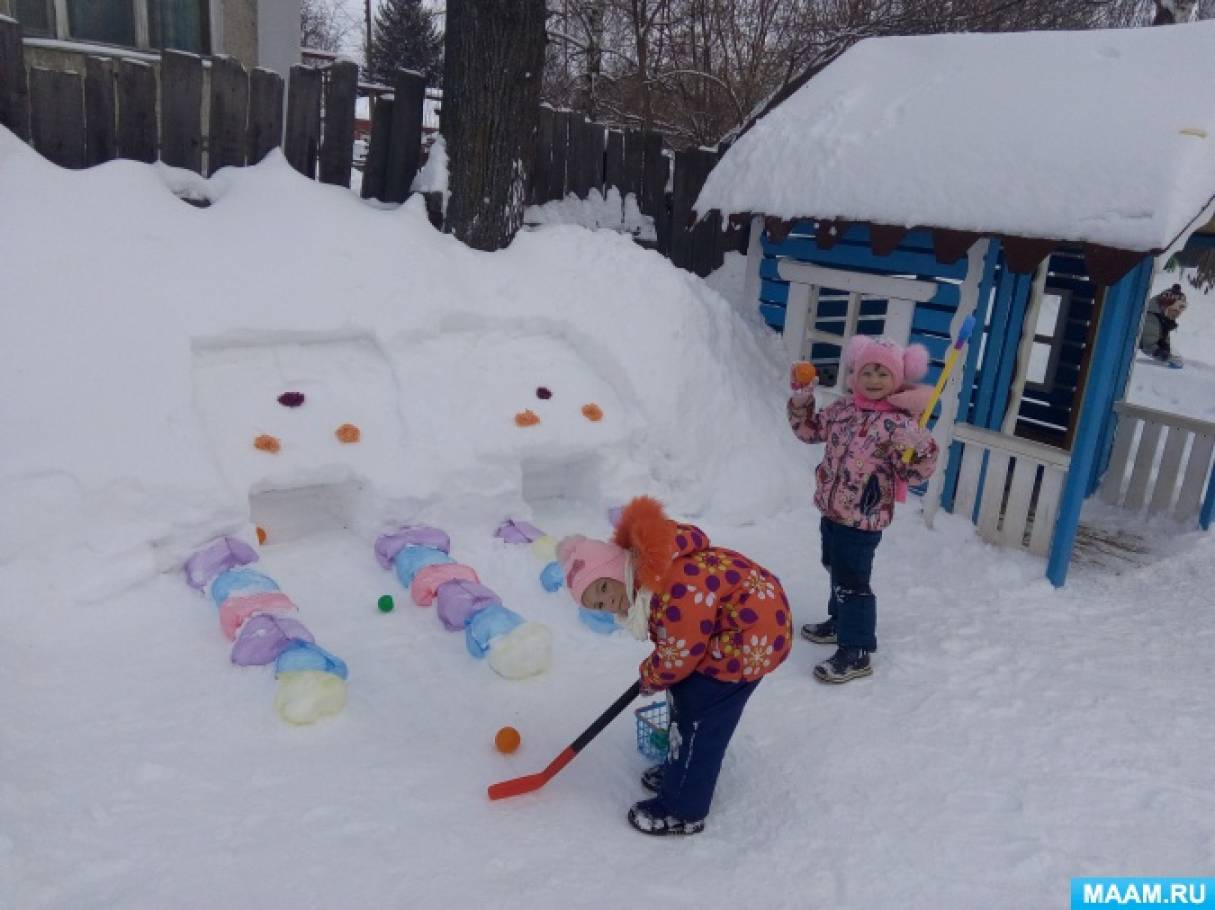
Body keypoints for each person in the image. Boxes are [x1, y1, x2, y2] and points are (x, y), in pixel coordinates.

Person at [556, 495, 792, 837]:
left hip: (749, 638)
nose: (608, 601)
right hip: (736, 629)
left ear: (616, 565)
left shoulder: (672, 585)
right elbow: (679, 645)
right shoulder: (651, 574)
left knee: (699, 718)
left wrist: (653, 674)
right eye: (597, 603)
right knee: (684, 695)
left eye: (604, 587)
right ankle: (680, 771)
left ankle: (683, 808)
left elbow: (682, 650)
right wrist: (660, 673)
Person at [788, 335, 940, 684]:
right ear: (855, 374)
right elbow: (810, 432)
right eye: (867, 371)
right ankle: (838, 621)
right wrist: (801, 400)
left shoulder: (900, 424)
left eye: (883, 374)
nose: (873, 380)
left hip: (864, 516)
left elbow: (911, 472)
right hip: (832, 508)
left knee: (852, 581)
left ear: (898, 379)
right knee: (833, 566)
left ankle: (856, 651)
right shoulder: (843, 409)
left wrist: (921, 450)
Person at [1139, 283, 1187, 365]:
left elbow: (1164, 341)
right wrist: (1166, 357)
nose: (1176, 315)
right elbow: (1148, 346)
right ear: (1164, 307)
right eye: (1174, 311)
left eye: (1179, 312)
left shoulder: (1164, 320)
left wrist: (1167, 352)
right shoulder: (1150, 318)